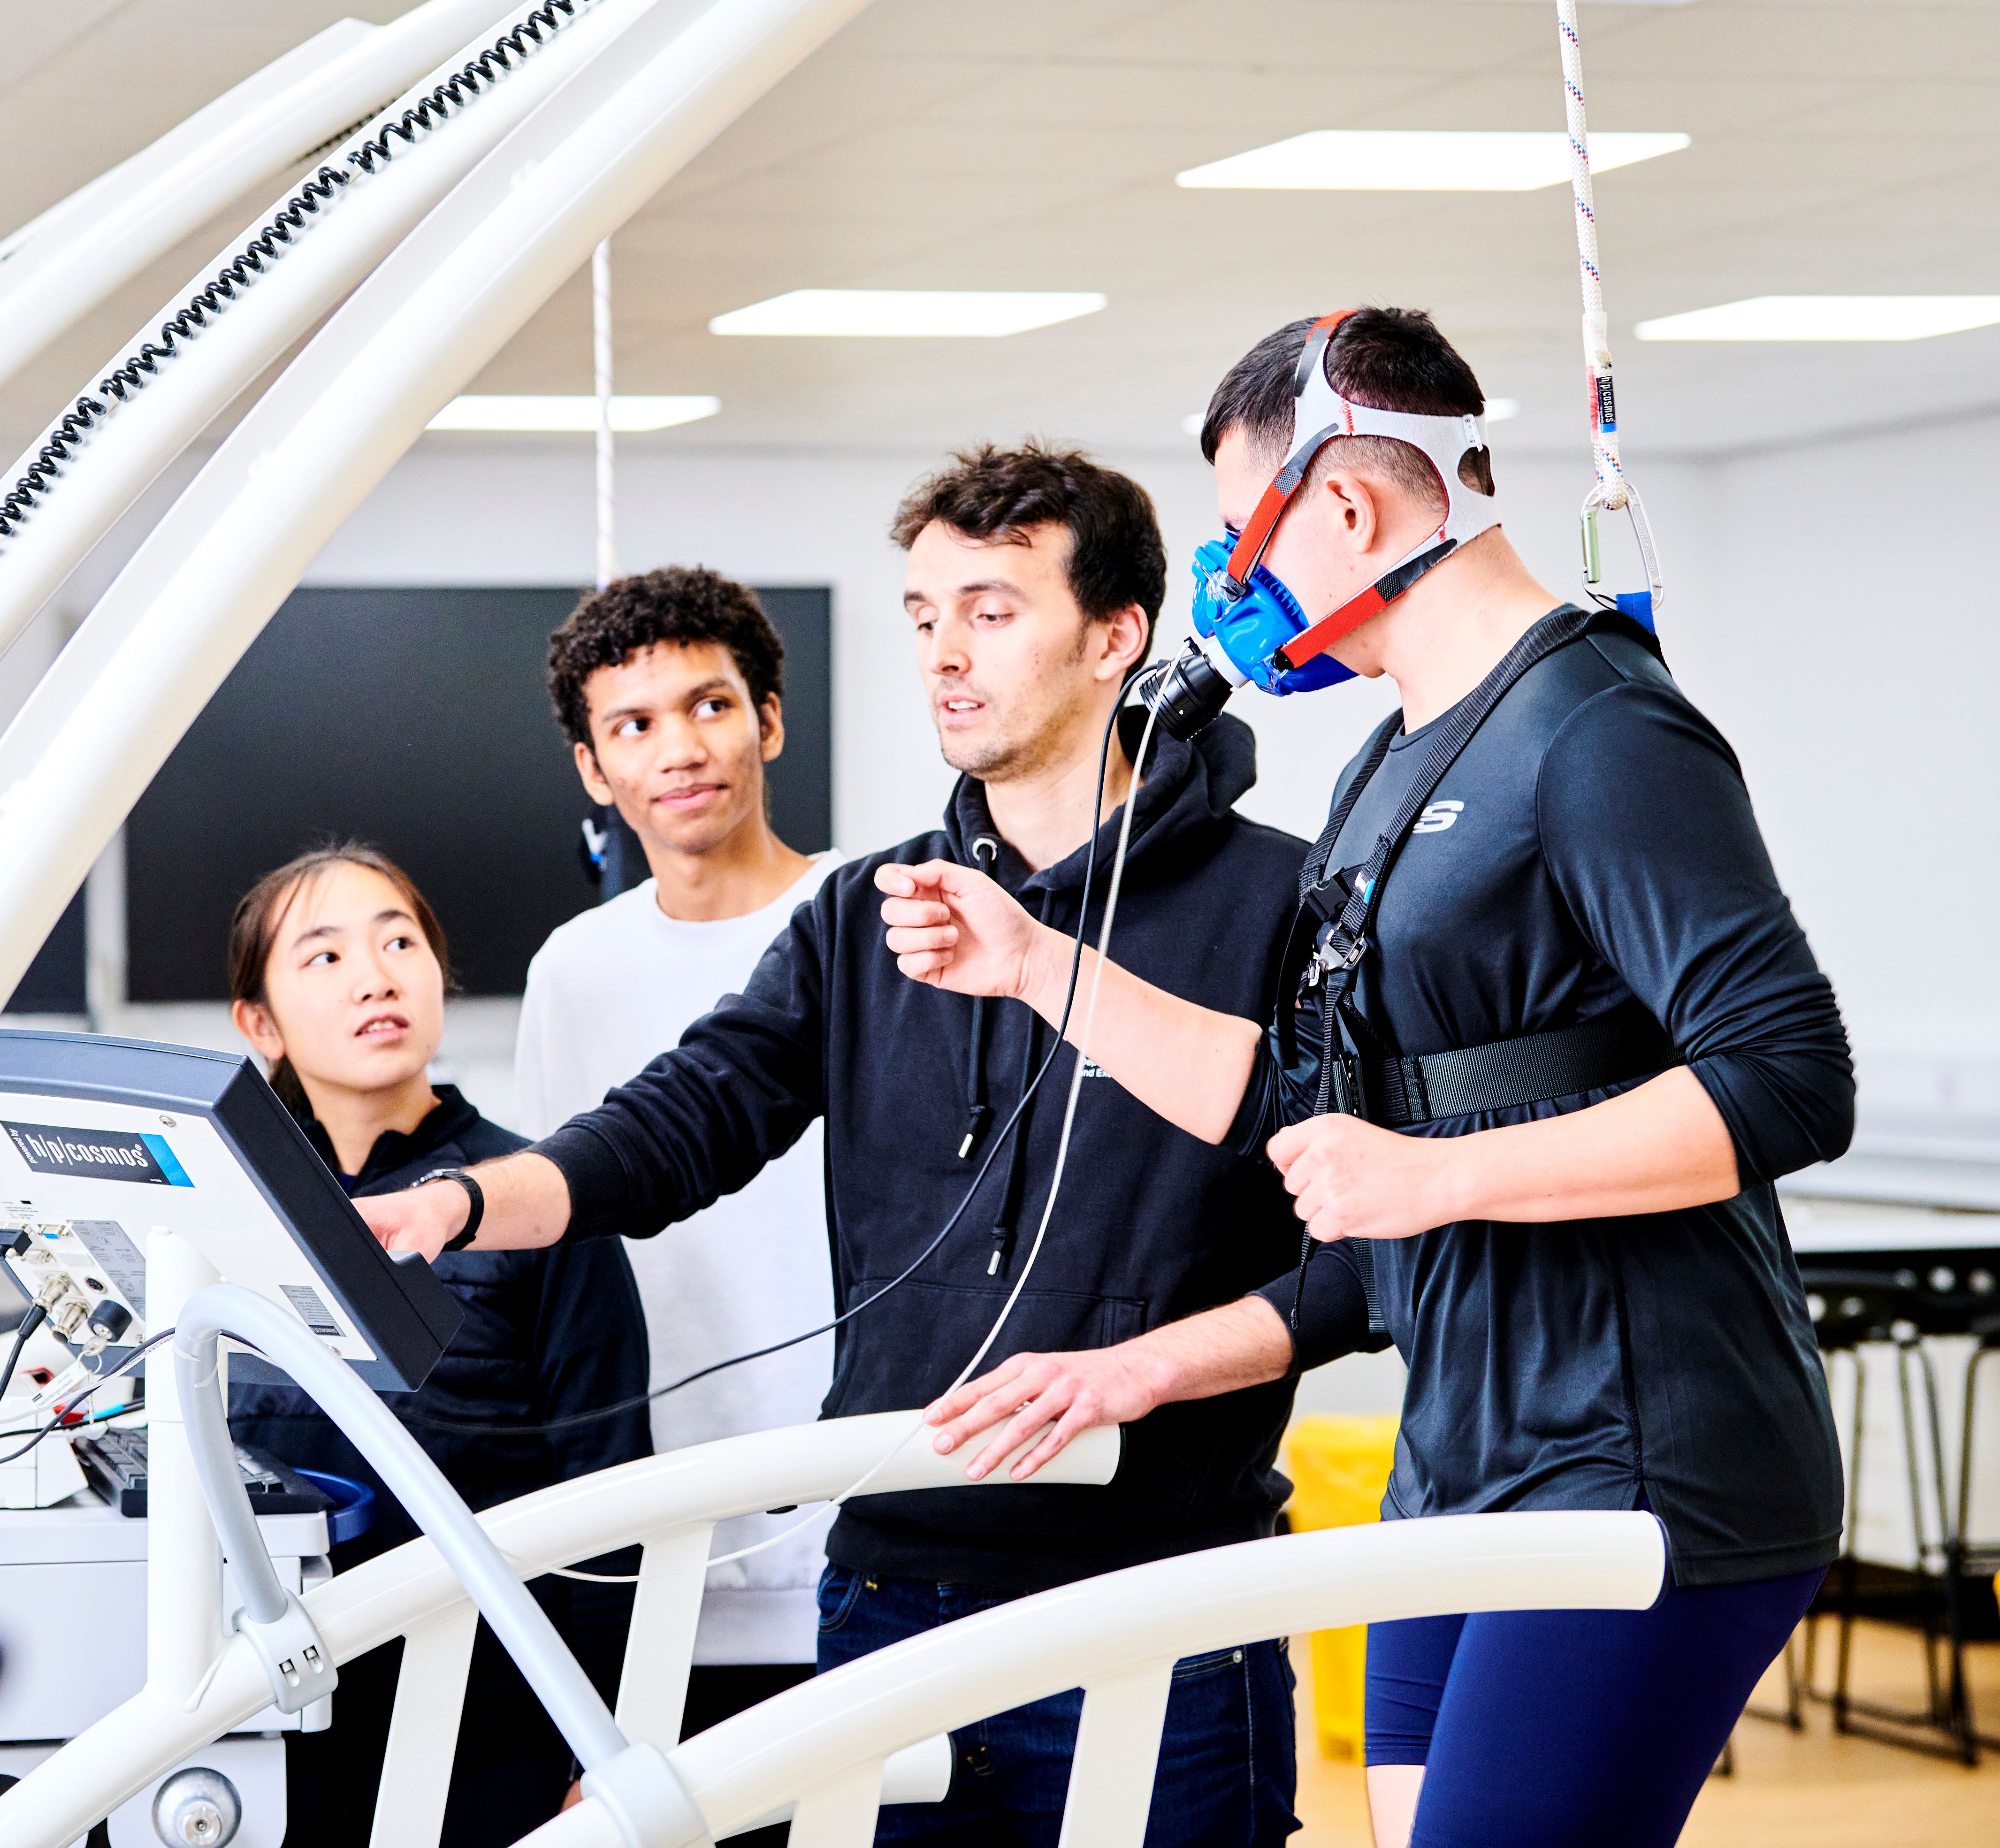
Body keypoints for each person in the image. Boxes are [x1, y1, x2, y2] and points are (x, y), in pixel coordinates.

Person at [889, 310, 1852, 1848]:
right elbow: (1310, 1105)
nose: (1228, 579)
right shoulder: (1388, 762)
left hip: (1638, 1457)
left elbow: (1791, 1075)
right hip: (1463, 1451)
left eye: (1239, 531)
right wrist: (1037, 967)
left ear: (1342, 506)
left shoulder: (1600, 727)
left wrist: (1436, 1176)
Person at [365, 444, 1313, 1848]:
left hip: (1156, 1595)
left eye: (991, 610)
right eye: (925, 615)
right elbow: (680, 1122)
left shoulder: (1284, 901)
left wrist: (1146, 1369)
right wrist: (455, 1202)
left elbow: (1368, 1259)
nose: (944, 654)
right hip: (889, 1597)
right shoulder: (873, 910)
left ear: (1117, 637)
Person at [221, 844, 650, 1848]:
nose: (377, 978)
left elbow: (612, 1500)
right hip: (265, 1724)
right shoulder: (225, 1211)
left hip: (490, 1735)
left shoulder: (532, 1202)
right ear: (260, 1024)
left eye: (400, 943)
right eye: (326, 957)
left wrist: (602, 1754)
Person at [514, 567, 843, 1736]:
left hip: (864, 1505)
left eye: (711, 705)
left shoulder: (867, 916)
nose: (682, 748)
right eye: (635, 725)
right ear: (594, 769)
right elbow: (557, 1257)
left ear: (769, 720)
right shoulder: (575, 968)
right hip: (656, 1526)